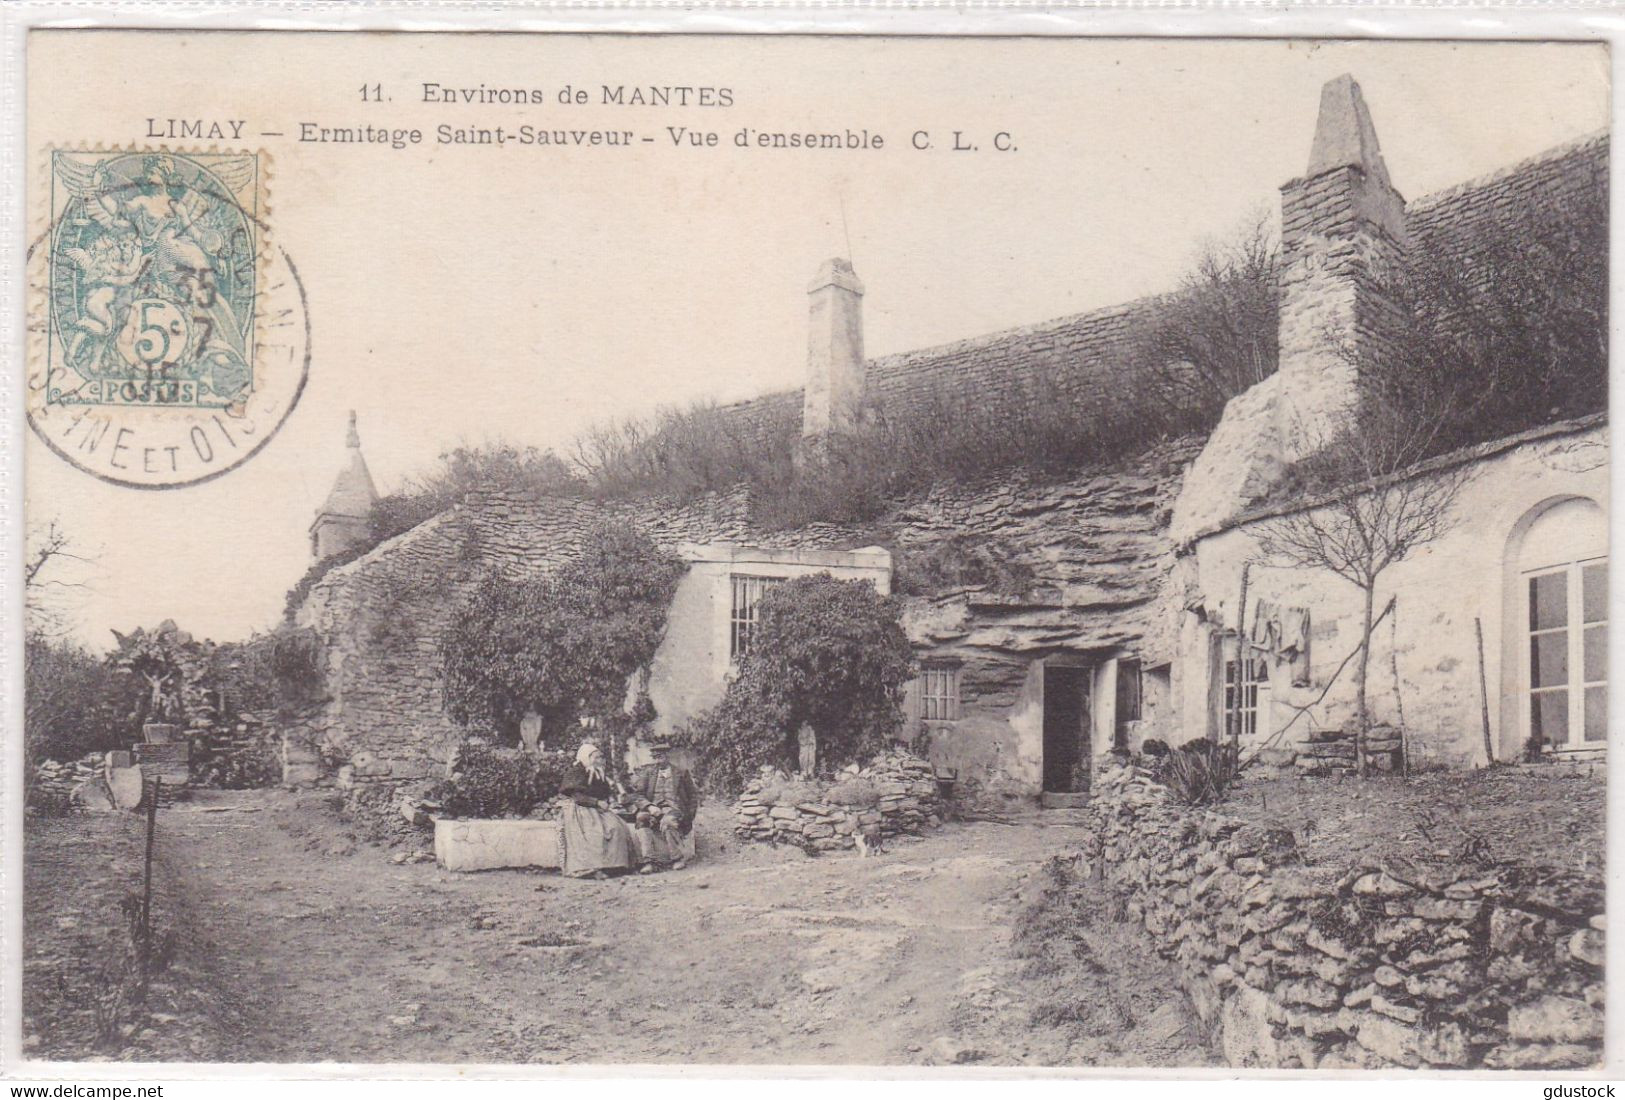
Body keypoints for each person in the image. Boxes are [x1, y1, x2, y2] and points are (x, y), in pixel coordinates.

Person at [558, 742, 634, 880]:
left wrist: (612, 798)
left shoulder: (599, 773)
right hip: (580, 809)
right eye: (596, 758)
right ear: (586, 757)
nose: (600, 761)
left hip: (597, 809)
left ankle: (614, 865)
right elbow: (577, 796)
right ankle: (591, 869)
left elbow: (604, 793)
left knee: (616, 827)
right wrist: (596, 802)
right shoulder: (576, 772)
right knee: (594, 833)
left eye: (601, 758)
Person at [630, 741, 699, 873]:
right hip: (654, 808)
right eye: (655, 758)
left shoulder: (681, 772)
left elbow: (693, 796)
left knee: (668, 822)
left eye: (660, 757)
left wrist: (689, 817)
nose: (657, 761)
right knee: (641, 818)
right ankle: (649, 861)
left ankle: (677, 858)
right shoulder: (648, 773)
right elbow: (637, 795)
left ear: (667, 756)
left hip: (675, 809)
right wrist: (649, 806)